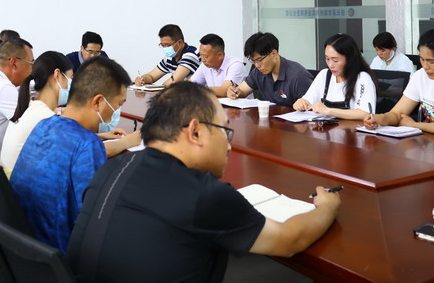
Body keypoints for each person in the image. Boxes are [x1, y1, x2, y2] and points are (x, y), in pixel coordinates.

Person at [67, 82, 341, 283]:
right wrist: (327, 206)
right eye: (225, 131)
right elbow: (290, 240)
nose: (229, 146)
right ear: (195, 132)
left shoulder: (111, 168)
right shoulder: (203, 195)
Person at [9, 56, 132, 252]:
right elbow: (93, 219)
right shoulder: (87, 144)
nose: (117, 111)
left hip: (22, 244)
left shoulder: (45, 125)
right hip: (59, 254)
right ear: (99, 102)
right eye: (118, 104)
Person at [0, 52, 74, 174]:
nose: (72, 84)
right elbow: (77, 152)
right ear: (57, 75)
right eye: (70, 78)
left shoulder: (31, 107)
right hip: (20, 184)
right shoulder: (46, 118)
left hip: (9, 181)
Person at [293, 34, 376, 120]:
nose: (330, 65)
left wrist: (329, 111)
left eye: (335, 60)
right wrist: (301, 103)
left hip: (352, 128)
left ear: (349, 59)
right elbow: (308, 100)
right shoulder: (324, 75)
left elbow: (366, 113)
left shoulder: (362, 78)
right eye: (327, 59)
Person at [227, 32, 314, 107]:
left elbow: (312, 108)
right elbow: (242, 91)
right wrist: (235, 92)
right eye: (253, 61)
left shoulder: (298, 76)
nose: (257, 65)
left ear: (273, 54)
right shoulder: (259, 72)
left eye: (260, 60)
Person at [134, 24, 200, 87]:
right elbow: (151, 76)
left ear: (179, 43)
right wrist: (142, 79)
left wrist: (160, 89)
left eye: (168, 45)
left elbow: (174, 82)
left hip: (197, 94)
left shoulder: (190, 55)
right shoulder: (170, 57)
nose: (165, 48)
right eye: (162, 45)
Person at [189, 33, 247, 98]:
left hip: (237, 104)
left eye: (206, 56)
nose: (202, 60)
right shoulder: (205, 65)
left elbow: (224, 91)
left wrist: (197, 89)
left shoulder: (235, 65)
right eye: (200, 55)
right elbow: (190, 84)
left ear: (220, 55)